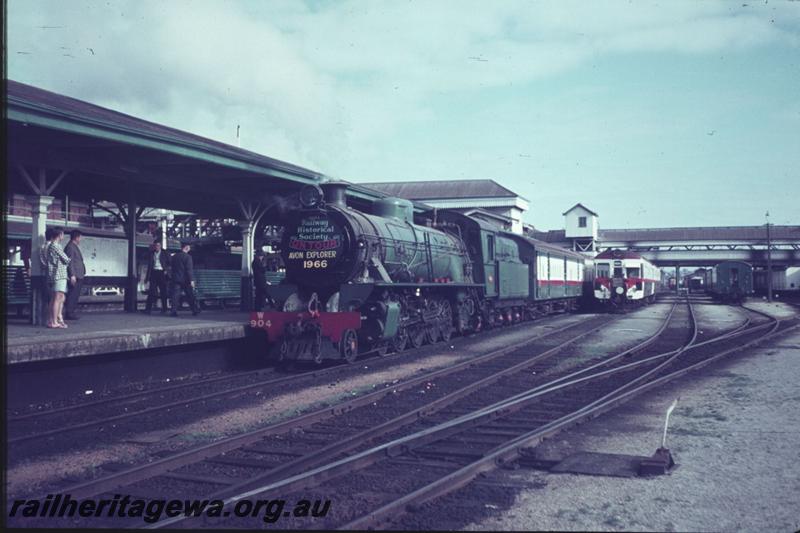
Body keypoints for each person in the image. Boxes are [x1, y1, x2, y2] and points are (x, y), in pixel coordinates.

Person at [43, 227, 71, 329]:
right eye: (62, 234)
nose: (63, 236)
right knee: (57, 298)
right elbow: (66, 259)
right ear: (60, 235)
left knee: (54, 298)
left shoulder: (51, 246)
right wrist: (69, 258)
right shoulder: (56, 246)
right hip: (59, 274)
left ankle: (52, 320)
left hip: (55, 275)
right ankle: (54, 321)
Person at [169, 242, 200, 316]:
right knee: (190, 295)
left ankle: (173, 311)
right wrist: (191, 280)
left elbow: (171, 267)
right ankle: (194, 310)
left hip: (176, 278)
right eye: (189, 247)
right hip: (185, 280)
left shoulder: (175, 256)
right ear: (186, 247)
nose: (190, 248)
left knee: (175, 296)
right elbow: (189, 270)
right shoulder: (188, 257)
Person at [63, 229, 86, 320]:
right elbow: (70, 262)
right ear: (77, 237)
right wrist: (72, 275)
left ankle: (71, 312)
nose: (81, 239)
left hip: (78, 274)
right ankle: (69, 313)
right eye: (80, 237)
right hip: (75, 275)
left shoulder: (73, 246)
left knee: (75, 294)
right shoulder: (70, 247)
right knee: (72, 294)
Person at [143, 241, 170, 314]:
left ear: (160, 246)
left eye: (158, 245)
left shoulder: (165, 253)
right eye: (155, 245)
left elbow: (170, 262)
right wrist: (149, 249)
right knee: (151, 291)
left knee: (163, 291)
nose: (156, 247)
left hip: (162, 273)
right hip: (154, 272)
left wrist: (166, 270)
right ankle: (148, 309)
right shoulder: (151, 253)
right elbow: (144, 256)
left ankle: (164, 309)